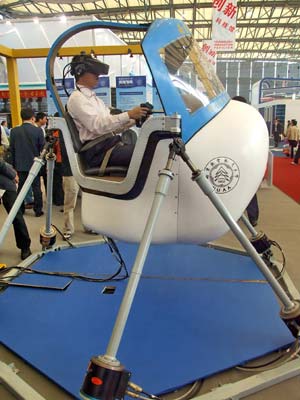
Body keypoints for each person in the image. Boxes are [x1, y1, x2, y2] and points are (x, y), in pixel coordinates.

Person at [67, 53, 150, 170]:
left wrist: (135, 118)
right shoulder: (77, 98)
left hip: (109, 146)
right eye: (94, 73)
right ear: (80, 72)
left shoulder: (94, 99)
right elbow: (98, 126)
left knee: (151, 149)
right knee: (147, 154)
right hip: (98, 152)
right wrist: (129, 114)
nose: (98, 76)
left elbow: (111, 128)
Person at [9, 108, 45, 217]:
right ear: (33, 118)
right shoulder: (38, 131)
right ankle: (38, 210)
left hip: (20, 165)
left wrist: (14, 166)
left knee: (21, 188)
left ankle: (20, 209)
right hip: (35, 165)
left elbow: (12, 149)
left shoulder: (14, 131)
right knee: (36, 187)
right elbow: (42, 148)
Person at [232, 95, 259, 226]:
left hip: (235, 158)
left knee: (234, 187)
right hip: (247, 160)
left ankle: (233, 215)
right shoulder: (251, 120)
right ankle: (253, 217)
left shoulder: (228, 120)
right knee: (248, 188)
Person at [0, 159, 31, 260]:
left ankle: (25, 246)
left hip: (5, 184)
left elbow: (1, 164)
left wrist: (13, 175)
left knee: (16, 217)